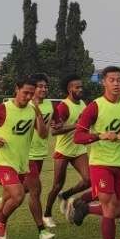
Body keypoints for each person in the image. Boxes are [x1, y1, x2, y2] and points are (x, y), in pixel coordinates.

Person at [68, 66, 120, 239]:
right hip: (100, 164)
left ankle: (85, 207)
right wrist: (100, 135)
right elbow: (78, 136)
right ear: (103, 82)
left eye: (119, 80)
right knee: (110, 207)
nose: (116, 83)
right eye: (112, 80)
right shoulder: (95, 106)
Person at [0, 76, 54, 239]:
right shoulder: (2, 108)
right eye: (25, 92)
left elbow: (43, 134)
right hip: (4, 161)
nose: (28, 97)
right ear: (16, 89)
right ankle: (1, 222)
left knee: (6, 199)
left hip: (21, 163)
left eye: (31, 94)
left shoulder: (32, 110)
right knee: (18, 195)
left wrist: (38, 114)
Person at [45, 74, 92, 222]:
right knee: (57, 185)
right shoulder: (63, 106)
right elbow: (55, 131)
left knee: (89, 180)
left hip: (79, 150)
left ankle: (65, 196)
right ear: (69, 89)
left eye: (81, 86)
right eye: (77, 87)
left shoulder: (83, 104)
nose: (80, 89)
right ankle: (47, 214)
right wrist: (76, 125)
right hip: (63, 151)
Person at [25, 74, 57, 228]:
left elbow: (48, 127)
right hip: (28, 153)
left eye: (45, 86)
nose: (44, 89)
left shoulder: (49, 105)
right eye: (40, 86)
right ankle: (41, 227)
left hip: (40, 152)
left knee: (25, 188)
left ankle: (6, 198)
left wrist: (56, 126)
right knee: (35, 190)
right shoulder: (27, 105)